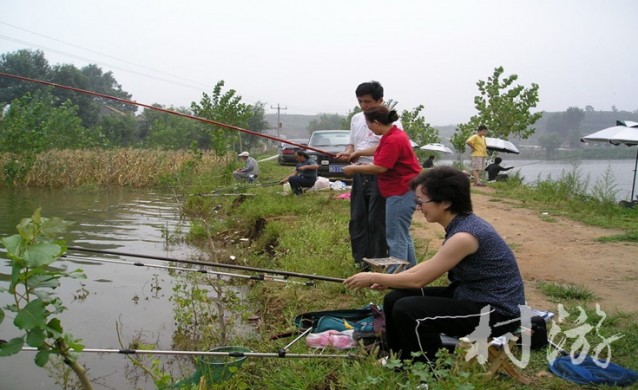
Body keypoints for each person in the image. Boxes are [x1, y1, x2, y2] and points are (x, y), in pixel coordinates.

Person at [343, 166, 525, 364]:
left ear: (446, 202)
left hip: (497, 312)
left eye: (422, 202)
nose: (419, 208)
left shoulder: (465, 236)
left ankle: (429, 370)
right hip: (469, 295)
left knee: (408, 310)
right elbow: (431, 264)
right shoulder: (461, 225)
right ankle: (399, 359)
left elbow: (418, 280)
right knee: (394, 299)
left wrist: (373, 276)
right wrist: (391, 281)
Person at [343, 106, 422, 267]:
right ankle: (411, 273)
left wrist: (353, 168)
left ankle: (395, 278)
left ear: (376, 123)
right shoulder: (392, 135)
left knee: (395, 237)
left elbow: (380, 167)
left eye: (369, 125)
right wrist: (358, 153)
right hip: (403, 190)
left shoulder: (393, 139)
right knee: (402, 235)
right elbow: (379, 149)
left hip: (401, 192)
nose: (369, 129)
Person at [336, 81, 402, 268]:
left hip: (380, 174)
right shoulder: (357, 118)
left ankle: (379, 262)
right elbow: (352, 143)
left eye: (367, 101)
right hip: (359, 173)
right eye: (360, 101)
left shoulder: (390, 119)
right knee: (358, 218)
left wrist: (359, 153)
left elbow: (388, 147)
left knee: (376, 221)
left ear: (380, 100)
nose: (364, 106)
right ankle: (361, 261)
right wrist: (349, 152)